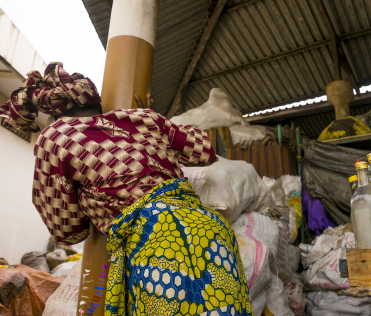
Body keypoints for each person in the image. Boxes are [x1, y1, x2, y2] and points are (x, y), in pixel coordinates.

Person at [0, 62, 253, 315]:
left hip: (160, 241)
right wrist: (151, 128)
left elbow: (67, 232)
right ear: (96, 102)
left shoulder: (55, 137)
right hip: (209, 229)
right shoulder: (145, 117)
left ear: (54, 116)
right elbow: (205, 151)